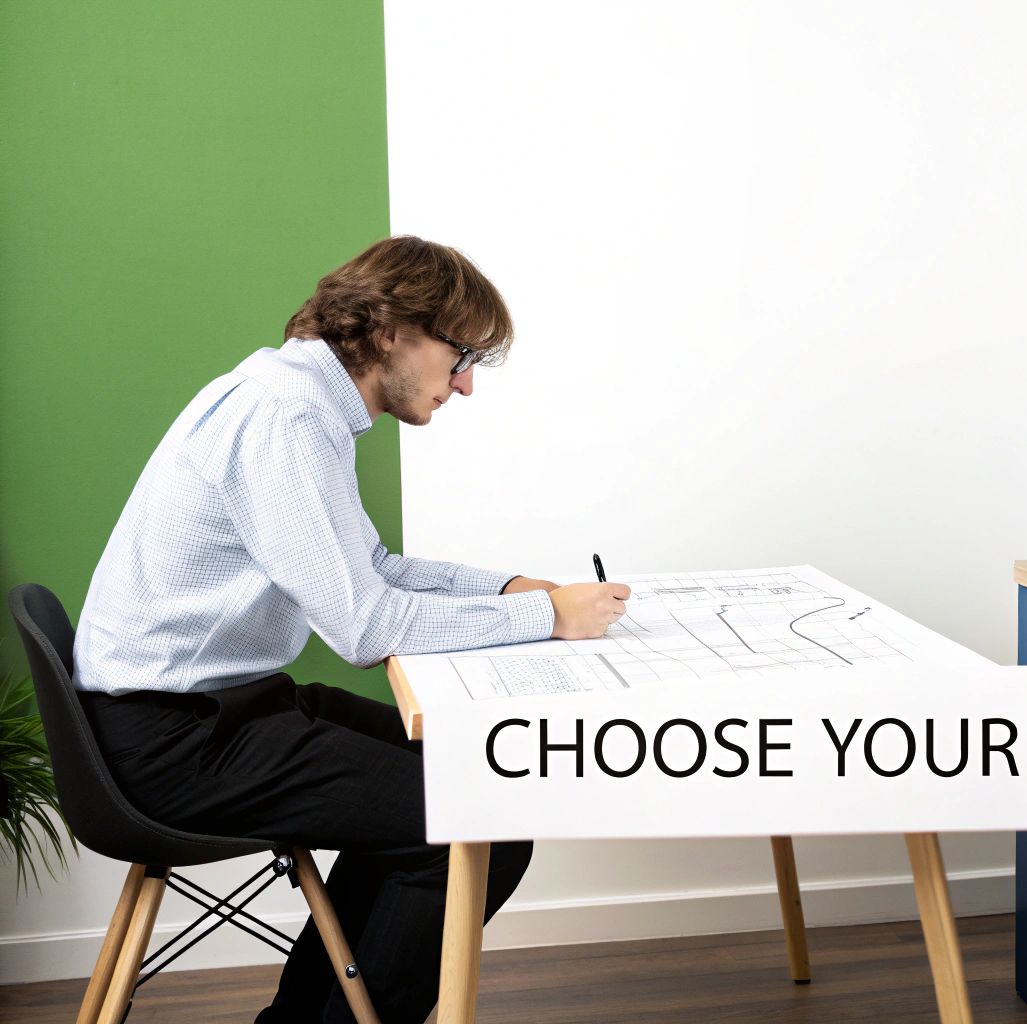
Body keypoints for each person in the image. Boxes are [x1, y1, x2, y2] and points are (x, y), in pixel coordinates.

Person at [72, 236, 631, 1023]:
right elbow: (364, 626)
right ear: (393, 331)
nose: (466, 385)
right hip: (177, 742)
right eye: (461, 354)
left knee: (467, 775)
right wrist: (547, 617)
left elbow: (369, 564)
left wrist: (509, 588)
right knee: (482, 818)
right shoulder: (287, 417)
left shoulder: (300, 402)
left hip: (216, 710)